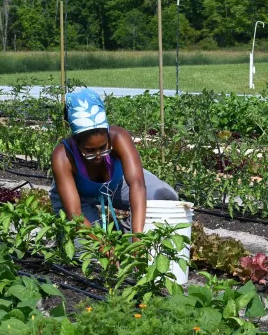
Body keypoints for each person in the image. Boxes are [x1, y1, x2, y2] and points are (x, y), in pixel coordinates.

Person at [50, 89, 178, 235]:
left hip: (116, 184)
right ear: (76, 142)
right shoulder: (62, 156)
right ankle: (107, 242)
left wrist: (136, 235)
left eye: (103, 148)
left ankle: (122, 236)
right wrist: (103, 248)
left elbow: (137, 183)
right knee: (88, 253)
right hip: (80, 198)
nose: (98, 156)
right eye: (90, 151)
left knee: (165, 199)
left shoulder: (119, 137)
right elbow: (75, 213)